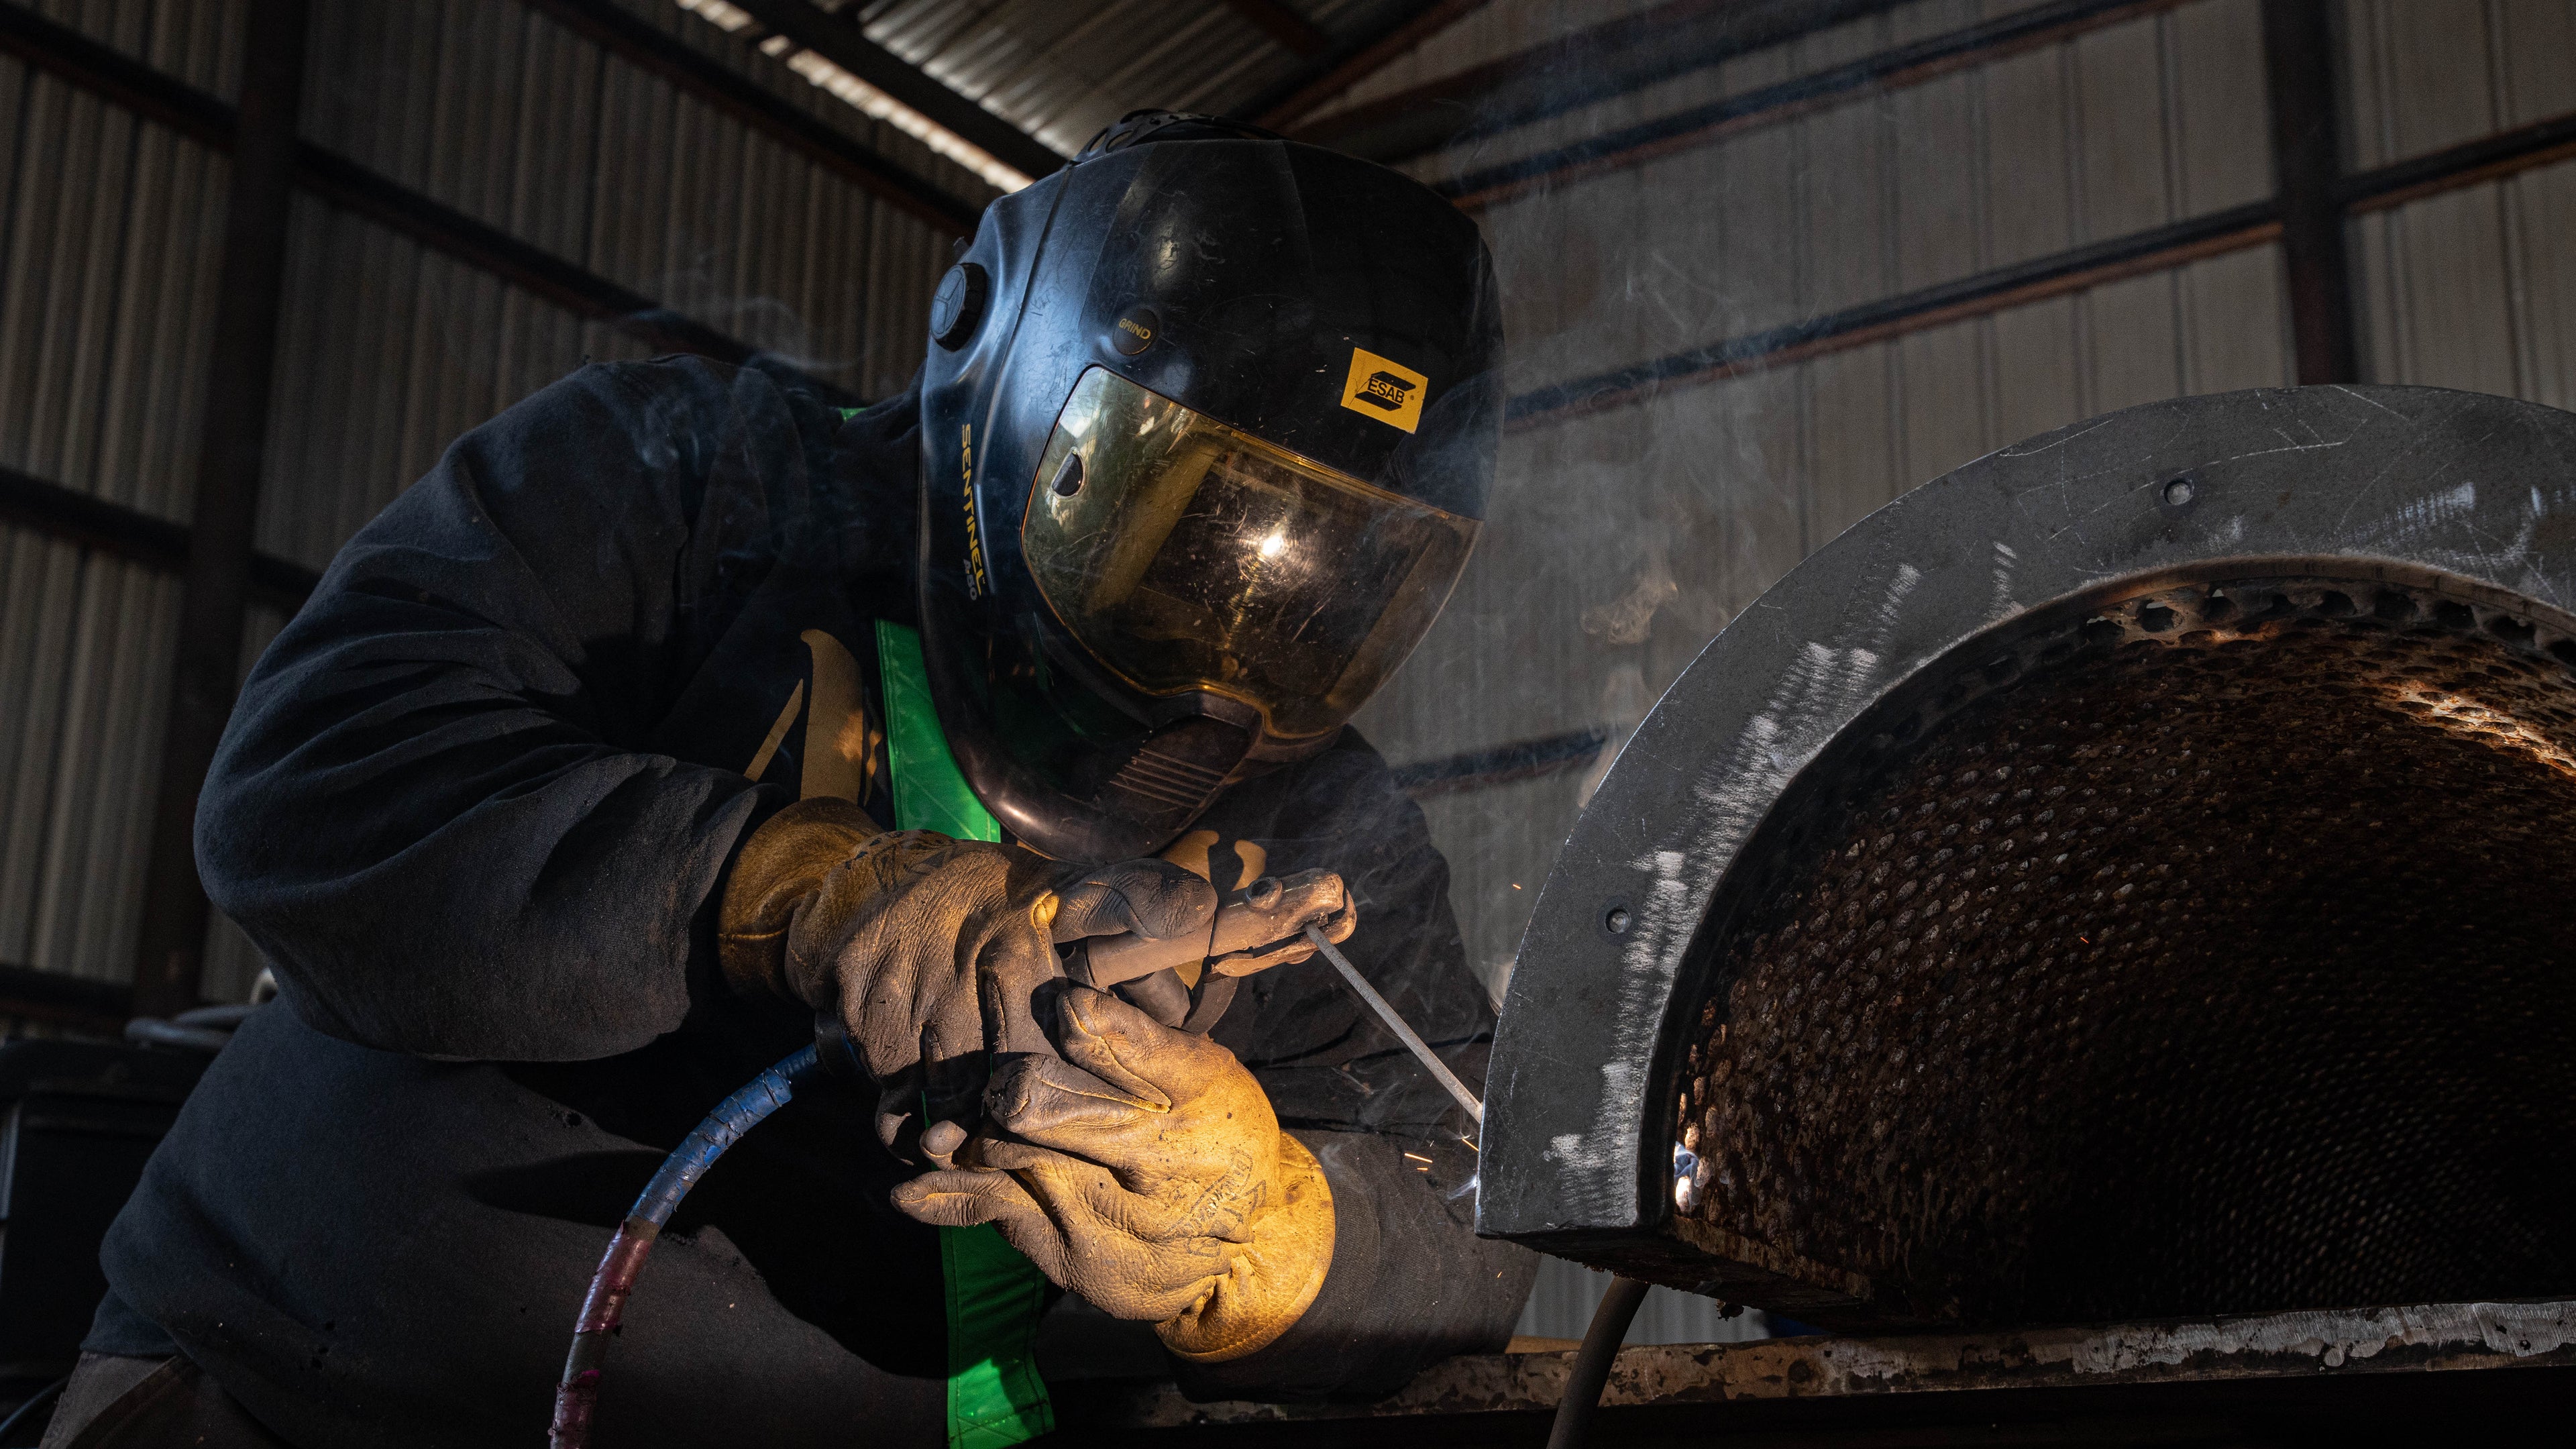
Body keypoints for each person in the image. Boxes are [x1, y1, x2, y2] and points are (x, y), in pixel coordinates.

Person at [51, 112, 1529, 1449]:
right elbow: (314, 781)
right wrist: (786, 887)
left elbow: (1477, 1192)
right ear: (1012, 381)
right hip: (304, 1391)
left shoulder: (1320, 832)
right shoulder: (696, 486)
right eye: (1178, 520)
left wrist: (1275, 1234)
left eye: (1340, 586)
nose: (1231, 649)